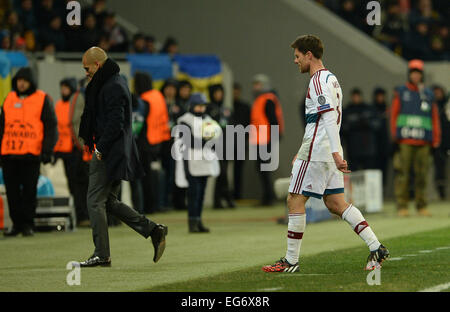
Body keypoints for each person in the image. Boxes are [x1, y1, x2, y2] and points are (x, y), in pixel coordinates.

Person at [262, 35, 389, 273]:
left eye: (297, 56)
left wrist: (330, 152)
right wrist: (333, 152)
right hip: (324, 149)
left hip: (319, 150)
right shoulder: (331, 78)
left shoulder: (318, 80)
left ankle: (290, 261)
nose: (295, 61)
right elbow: (321, 120)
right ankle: (376, 247)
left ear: (309, 55)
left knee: (295, 199)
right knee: (336, 202)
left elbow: (328, 117)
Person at [78, 47, 167, 267]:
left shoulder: (112, 85)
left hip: (110, 152)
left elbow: (115, 122)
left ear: (97, 65)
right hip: (116, 151)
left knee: (94, 201)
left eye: (87, 68)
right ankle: (153, 230)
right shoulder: (113, 83)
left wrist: (100, 148)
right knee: (109, 202)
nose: (85, 72)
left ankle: (102, 254)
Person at [0, 67, 58, 237]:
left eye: (24, 80)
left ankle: (28, 224)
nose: (21, 83)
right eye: (18, 80)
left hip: (31, 154)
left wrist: (47, 151)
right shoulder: (9, 98)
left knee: (29, 192)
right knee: (11, 193)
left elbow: (50, 127)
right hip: (9, 153)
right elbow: (1, 127)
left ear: (31, 82)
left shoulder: (42, 99)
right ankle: (17, 224)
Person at [390, 59, 441, 217]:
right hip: (405, 141)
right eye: (413, 72)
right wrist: (394, 136)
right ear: (409, 74)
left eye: (418, 73)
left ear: (422, 75)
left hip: (424, 141)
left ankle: (421, 206)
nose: (416, 75)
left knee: (422, 175)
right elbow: (394, 115)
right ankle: (402, 206)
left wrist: (436, 138)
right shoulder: (401, 91)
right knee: (403, 174)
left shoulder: (428, 94)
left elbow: (434, 118)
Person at [174, 93, 221, 233]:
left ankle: (198, 221)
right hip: (192, 161)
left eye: (203, 106)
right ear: (192, 105)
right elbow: (189, 141)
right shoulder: (184, 120)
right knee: (194, 193)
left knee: (201, 194)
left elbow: (216, 135)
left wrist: (212, 140)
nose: (201, 109)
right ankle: (192, 222)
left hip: (205, 162)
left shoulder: (208, 119)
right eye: (198, 106)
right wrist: (207, 141)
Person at [53, 77, 90, 226]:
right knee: (72, 185)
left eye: (66, 87)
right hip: (62, 150)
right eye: (62, 87)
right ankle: (80, 215)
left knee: (80, 185)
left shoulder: (76, 104)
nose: (63, 91)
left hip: (76, 149)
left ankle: (83, 215)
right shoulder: (58, 105)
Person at [134, 71, 171, 213]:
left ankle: (148, 206)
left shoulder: (143, 99)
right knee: (157, 174)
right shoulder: (158, 96)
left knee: (146, 177)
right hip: (159, 142)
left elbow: (140, 122)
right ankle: (158, 203)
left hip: (145, 142)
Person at [250, 73, 284, 206]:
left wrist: (273, 139)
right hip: (259, 139)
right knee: (262, 169)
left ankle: (268, 198)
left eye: (257, 84)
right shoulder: (260, 99)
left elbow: (273, 120)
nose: (255, 87)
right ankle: (267, 196)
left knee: (264, 169)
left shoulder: (268, 99)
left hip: (266, 139)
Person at [207, 83, 235, 209]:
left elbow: (232, 127)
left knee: (222, 173)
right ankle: (226, 198)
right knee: (221, 172)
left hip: (226, 145)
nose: (219, 95)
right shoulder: (208, 109)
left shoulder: (226, 109)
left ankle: (217, 200)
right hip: (214, 146)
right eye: (216, 92)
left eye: (220, 92)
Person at [341, 88, 380, 171]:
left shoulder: (369, 109)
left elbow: (377, 125)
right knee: (354, 173)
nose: (356, 99)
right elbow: (343, 128)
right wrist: (355, 124)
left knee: (369, 172)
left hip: (368, 148)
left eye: (357, 97)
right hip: (353, 148)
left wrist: (367, 123)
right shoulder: (348, 111)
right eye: (354, 97)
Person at [231, 82, 250, 200]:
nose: (235, 94)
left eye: (237, 92)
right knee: (224, 171)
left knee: (238, 170)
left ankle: (237, 195)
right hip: (227, 142)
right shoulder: (228, 107)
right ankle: (226, 195)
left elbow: (249, 125)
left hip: (241, 142)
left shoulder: (245, 107)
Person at [431, 85, 449, 200]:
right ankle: (441, 193)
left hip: (448, 141)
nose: (438, 94)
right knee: (439, 170)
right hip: (436, 143)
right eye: (435, 92)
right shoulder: (431, 107)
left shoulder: (447, 105)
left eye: (439, 92)